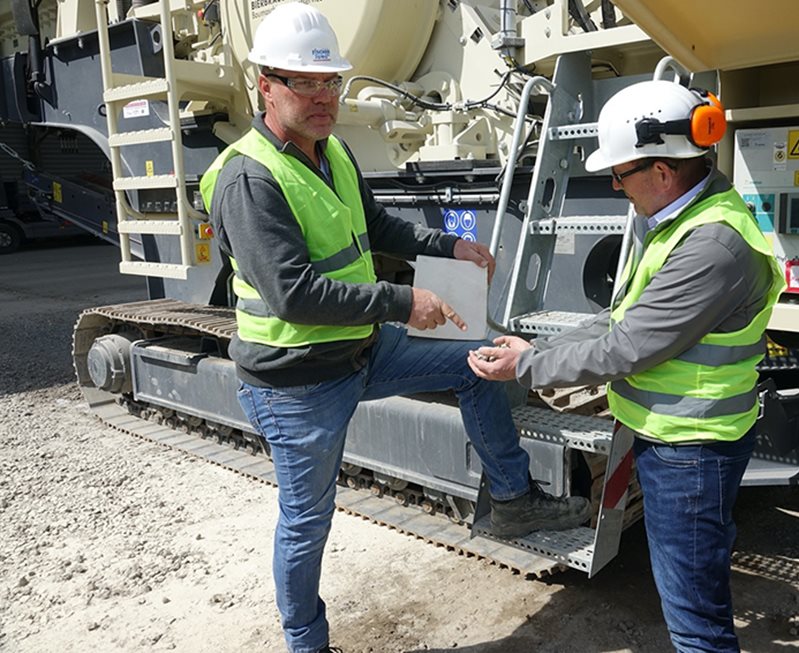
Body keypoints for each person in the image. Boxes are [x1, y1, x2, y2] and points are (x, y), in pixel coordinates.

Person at [198, 4, 590, 652]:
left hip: (360, 350)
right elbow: (294, 295)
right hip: (296, 383)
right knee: (306, 521)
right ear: (266, 84)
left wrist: (448, 246)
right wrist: (404, 303)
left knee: (479, 359)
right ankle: (306, 641)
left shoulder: (334, 151)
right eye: (305, 82)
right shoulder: (250, 177)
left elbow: (379, 230)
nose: (324, 96)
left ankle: (514, 499)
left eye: (332, 83)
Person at [468, 79, 786, 652]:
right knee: (693, 587)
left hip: (691, 447)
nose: (615, 186)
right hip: (679, 437)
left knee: (695, 622)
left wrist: (527, 369)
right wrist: (532, 350)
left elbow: (628, 347)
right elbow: (624, 318)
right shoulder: (681, 221)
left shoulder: (711, 246)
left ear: (662, 172)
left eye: (621, 174)